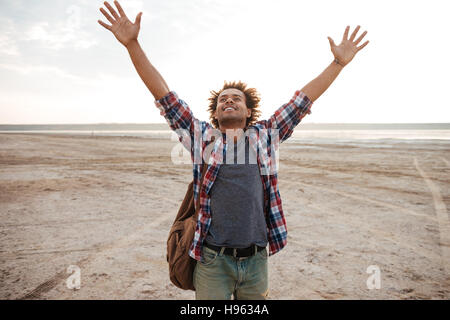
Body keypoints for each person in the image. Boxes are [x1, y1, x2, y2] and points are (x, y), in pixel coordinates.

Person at [98, 0, 369, 300]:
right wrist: (132, 44)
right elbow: (164, 95)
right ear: (215, 113)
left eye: (236, 99)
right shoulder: (201, 137)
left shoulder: (265, 135)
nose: (229, 101)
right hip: (213, 260)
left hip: (256, 260)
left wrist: (338, 64)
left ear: (248, 110)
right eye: (222, 99)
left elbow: (302, 100)